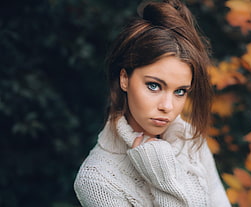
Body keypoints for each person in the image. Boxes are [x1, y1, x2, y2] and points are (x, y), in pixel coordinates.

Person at [74, 0, 231, 206]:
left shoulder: (189, 139)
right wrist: (162, 178)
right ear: (124, 78)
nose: (167, 106)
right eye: (154, 86)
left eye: (180, 91)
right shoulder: (97, 179)